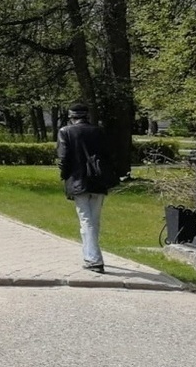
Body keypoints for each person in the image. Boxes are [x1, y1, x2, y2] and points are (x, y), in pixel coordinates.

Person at [57, 102, 118, 274]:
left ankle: (94, 259)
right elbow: (108, 155)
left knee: (86, 220)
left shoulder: (65, 132)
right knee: (94, 220)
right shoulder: (98, 131)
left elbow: (63, 158)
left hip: (78, 180)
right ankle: (91, 253)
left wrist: (64, 176)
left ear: (71, 116)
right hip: (98, 180)